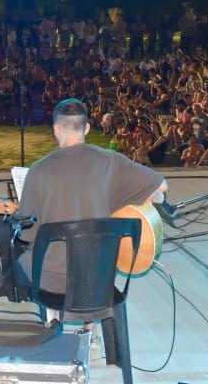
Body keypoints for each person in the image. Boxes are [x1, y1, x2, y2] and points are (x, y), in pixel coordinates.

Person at [14, 98, 168, 297]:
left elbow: (27, 234)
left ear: (56, 129)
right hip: (100, 278)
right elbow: (161, 186)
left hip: (51, 281)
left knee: (17, 260)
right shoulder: (111, 161)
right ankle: (88, 324)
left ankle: (50, 320)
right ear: (86, 128)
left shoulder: (37, 171)